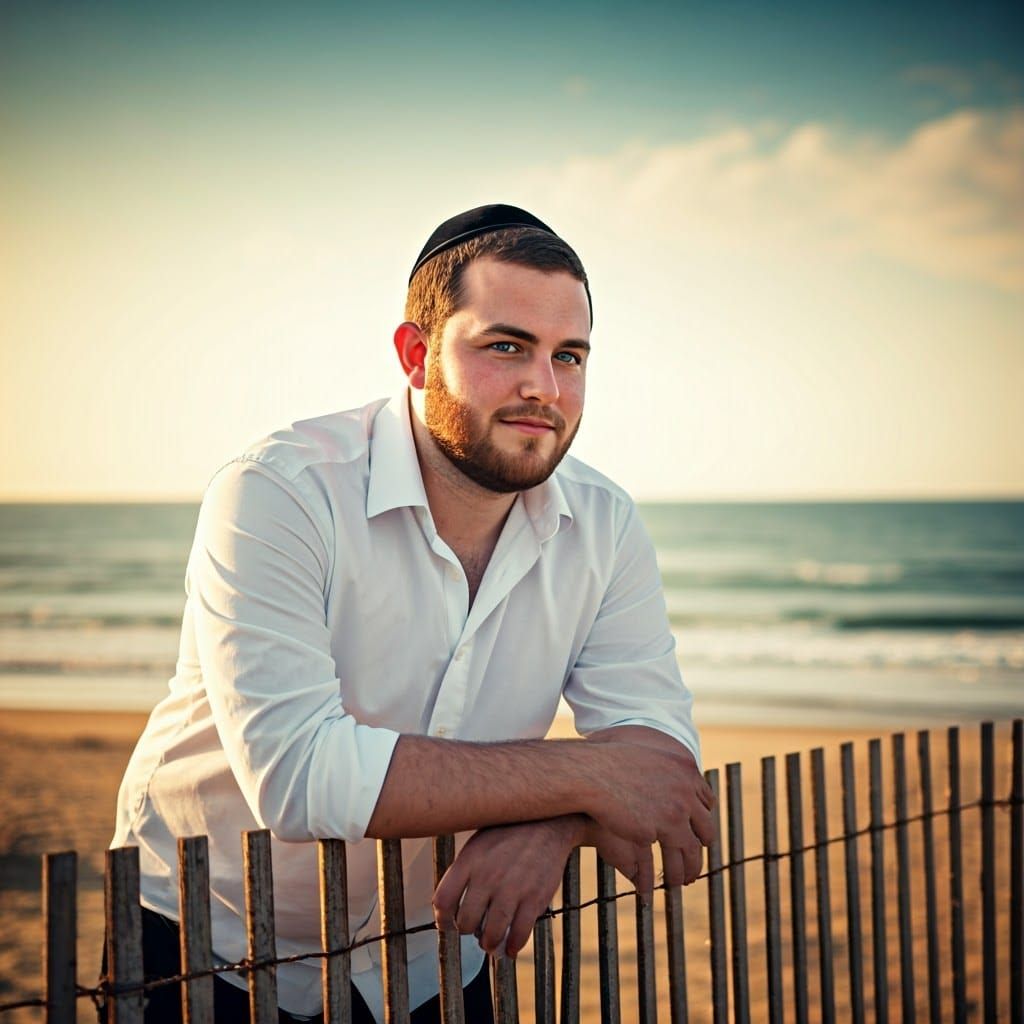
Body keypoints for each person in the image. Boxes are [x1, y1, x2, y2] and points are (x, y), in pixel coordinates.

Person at [110, 204, 715, 1023]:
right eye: (506, 346)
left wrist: (554, 823)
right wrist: (587, 778)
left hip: (439, 947)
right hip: (216, 943)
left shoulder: (607, 524)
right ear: (417, 354)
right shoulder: (279, 491)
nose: (544, 384)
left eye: (568, 356)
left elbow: (658, 746)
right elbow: (301, 778)